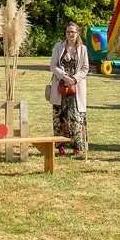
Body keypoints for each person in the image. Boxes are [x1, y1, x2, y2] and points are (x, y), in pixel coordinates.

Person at [49, 21, 89, 156]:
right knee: (60, 116)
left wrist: (74, 79)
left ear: (77, 34)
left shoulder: (82, 49)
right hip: (60, 86)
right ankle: (60, 146)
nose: (70, 34)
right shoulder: (58, 47)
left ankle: (77, 146)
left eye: (73, 32)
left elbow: (85, 68)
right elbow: (53, 65)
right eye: (68, 32)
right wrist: (64, 76)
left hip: (76, 88)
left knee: (76, 117)